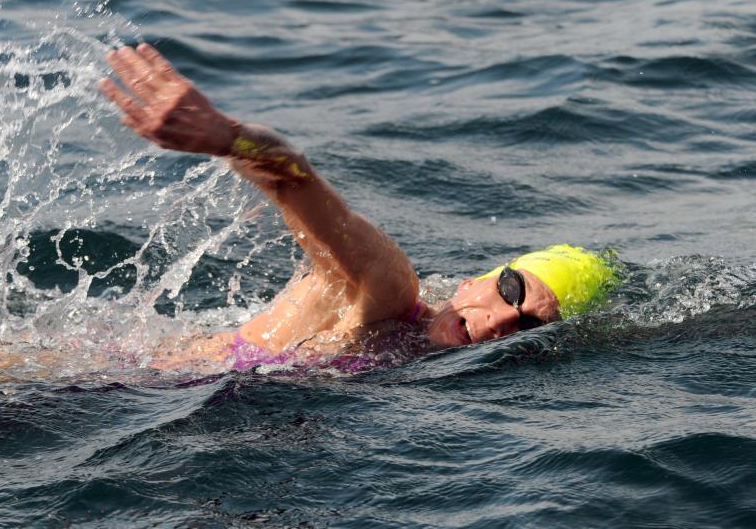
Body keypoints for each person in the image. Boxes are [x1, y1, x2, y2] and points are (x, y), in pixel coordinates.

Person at [99, 44, 621, 371]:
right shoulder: (393, 290)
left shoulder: (418, 354)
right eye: (513, 290)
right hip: (96, 384)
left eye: (528, 327)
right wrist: (231, 139)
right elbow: (296, 180)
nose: (502, 319)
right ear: (475, 281)